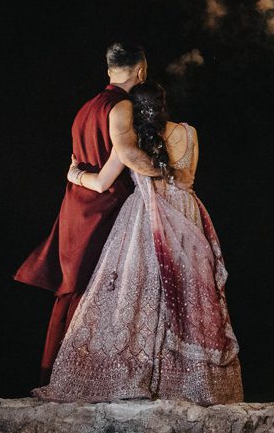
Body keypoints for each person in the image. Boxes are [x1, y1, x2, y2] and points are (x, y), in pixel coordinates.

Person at [33, 80, 243, 404]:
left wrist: (74, 175)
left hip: (144, 217)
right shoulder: (189, 133)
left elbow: (102, 182)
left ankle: (141, 377)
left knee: (141, 296)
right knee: (187, 293)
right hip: (186, 213)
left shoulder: (131, 143)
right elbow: (187, 180)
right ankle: (193, 383)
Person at [15, 43, 164, 384]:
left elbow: (82, 160)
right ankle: (79, 378)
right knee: (98, 292)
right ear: (141, 72)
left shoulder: (85, 108)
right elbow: (126, 154)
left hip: (76, 210)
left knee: (77, 291)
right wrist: (168, 175)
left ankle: (55, 374)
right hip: (102, 210)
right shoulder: (121, 106)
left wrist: (75, 176)